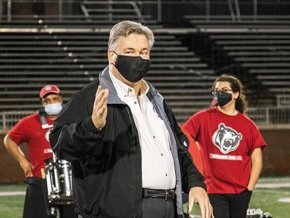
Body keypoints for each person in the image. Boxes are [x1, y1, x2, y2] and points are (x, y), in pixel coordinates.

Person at [49, 20, 213, 218]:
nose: (138, 58)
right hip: (116, 212)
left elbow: (179, 152)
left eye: (144, 52)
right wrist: (91, 127)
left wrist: (195, 183)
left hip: (168, 207)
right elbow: (59, 144)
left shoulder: (157, 101)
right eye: (130, 51)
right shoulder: (91, 97)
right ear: (112, 56)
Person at [182, 74, 266, 218]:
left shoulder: (248, 125)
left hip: (240, 191)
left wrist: (249, 188)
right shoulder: (203, 118)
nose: (219, 93)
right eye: (216, 90)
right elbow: (183, 138)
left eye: (224, 90)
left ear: (236, 94)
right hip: (213, 189)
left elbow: (257, 160)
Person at [3, 84, 78, 218]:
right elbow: (9, 140)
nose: (52, 103)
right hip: (40, 178)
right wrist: (23, 161)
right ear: (42, 103)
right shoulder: (29, 122)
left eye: (55, 99)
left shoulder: (72, 119)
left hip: (67, 178)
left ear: (61, 99)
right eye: (47, 101)